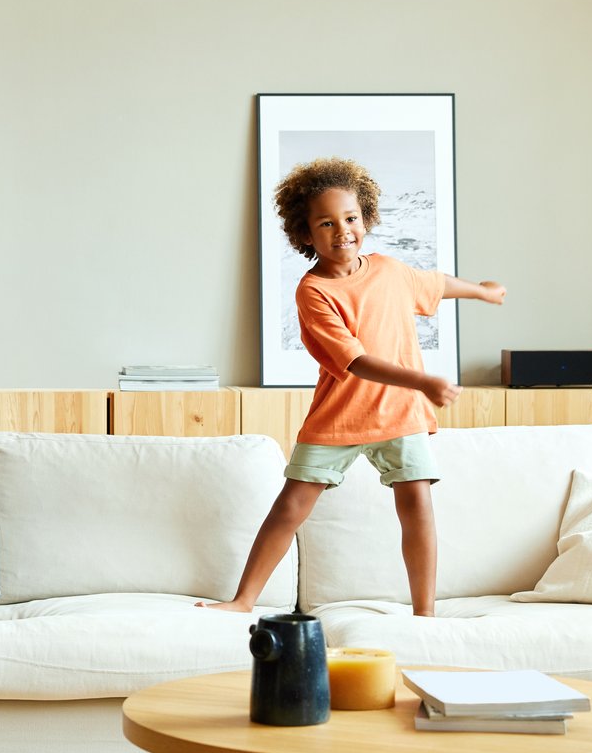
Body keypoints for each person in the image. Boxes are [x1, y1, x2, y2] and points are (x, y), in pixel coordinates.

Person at [201, 158, 505, 618]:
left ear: (366, 219)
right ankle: (243, 601)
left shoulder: (388, 269)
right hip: (339, 416)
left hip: (399, 414)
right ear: (305, 234)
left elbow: (436, 283)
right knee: (290, 507)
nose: (342, 230)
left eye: (351, 219)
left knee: (417, 504)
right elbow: (357, 361)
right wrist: (423, 381)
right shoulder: (313, 292)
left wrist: (482, 291)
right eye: (326, 223)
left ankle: (425, 613)